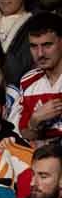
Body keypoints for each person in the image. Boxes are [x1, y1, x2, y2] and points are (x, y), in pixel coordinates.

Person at [9, 12, 62, 142]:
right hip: (40, 158)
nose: (40, 54)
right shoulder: (28, 81)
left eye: (47, 45)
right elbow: (26, 135)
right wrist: (35, 120)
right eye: (33, 46)